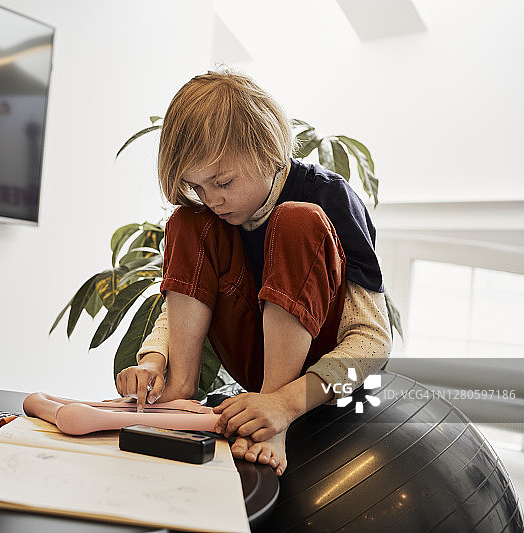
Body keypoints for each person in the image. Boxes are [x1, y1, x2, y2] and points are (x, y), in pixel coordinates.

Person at [115, 69, 392, 476]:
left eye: (222, 182)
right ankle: (180, 392)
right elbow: (186, 295)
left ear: (268, 151)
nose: (212, 200)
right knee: (186, 222)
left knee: (295, 221)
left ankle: (271, 424)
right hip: (250, 356)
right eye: (198, 187)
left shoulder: (330, 197)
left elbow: (374, 343)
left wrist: (285, 403)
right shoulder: (211, 213)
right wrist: (156, 360)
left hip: (316, 373)